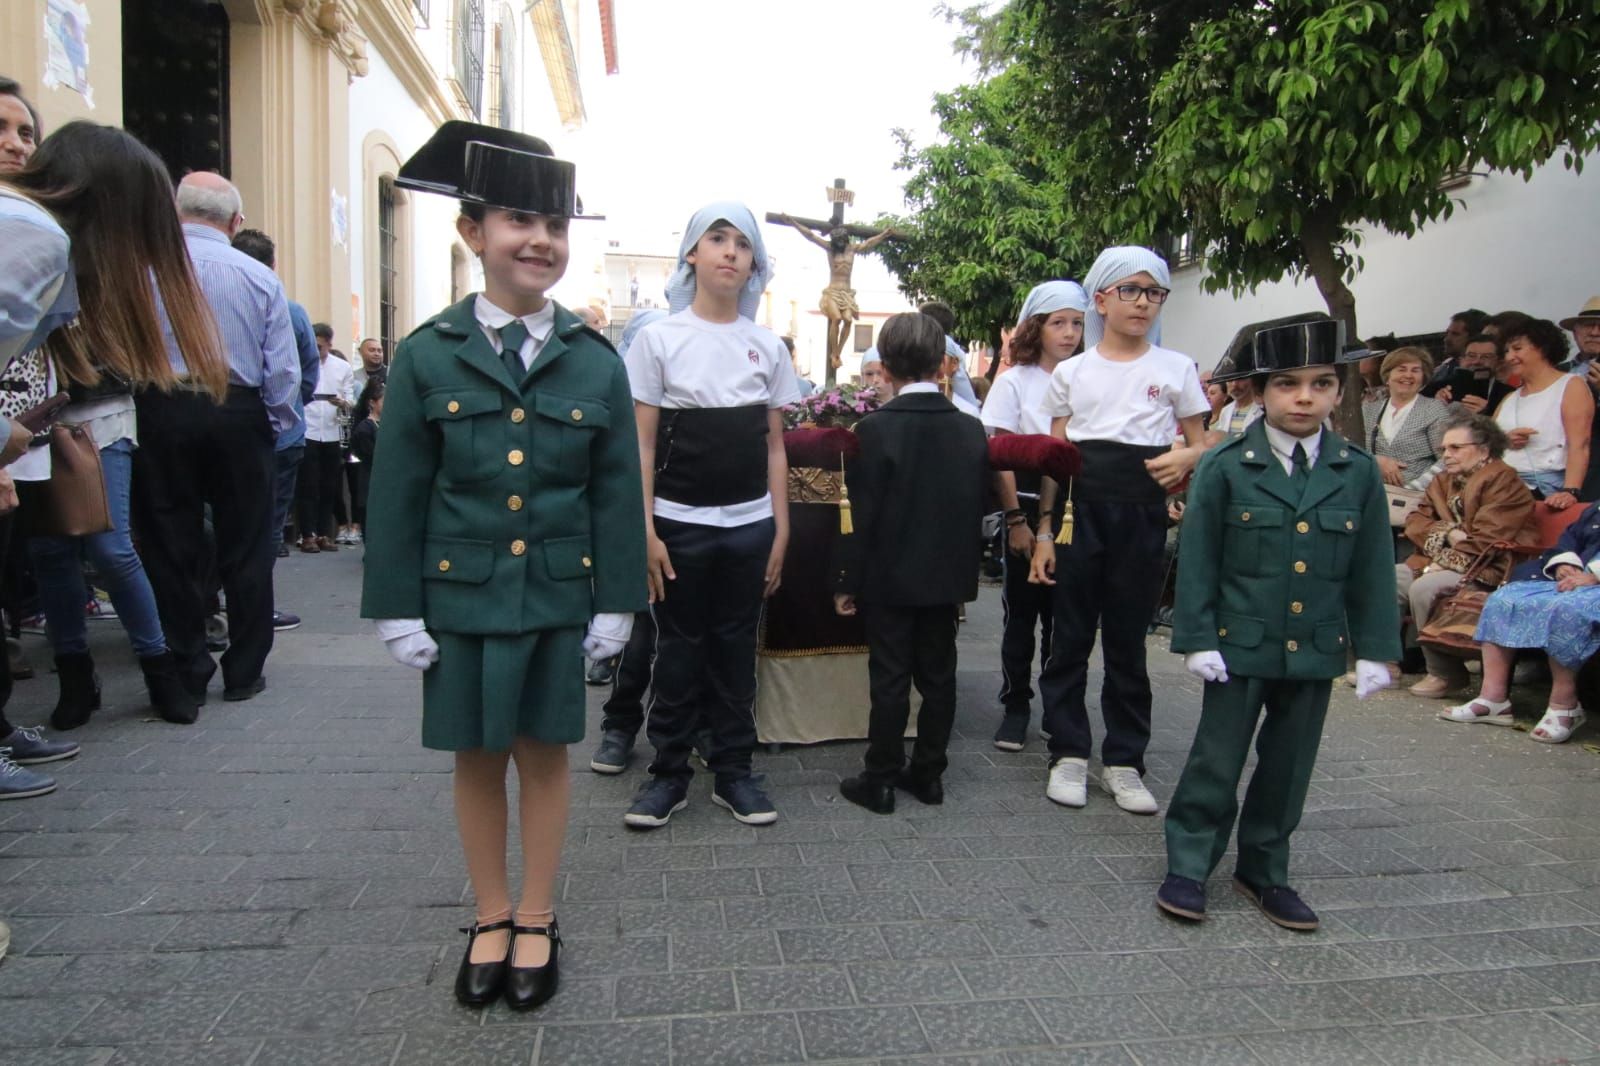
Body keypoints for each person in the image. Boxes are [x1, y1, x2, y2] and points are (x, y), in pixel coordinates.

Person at [361, 121, 647, 1010]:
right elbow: (399, 490)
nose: (543, 243)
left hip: (559, 596)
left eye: (556, 227)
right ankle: (488, 913)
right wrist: (395, 607)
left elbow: (613, 491)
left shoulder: (595, 362)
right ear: (472, 231)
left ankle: (536, 912)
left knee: (546, 755)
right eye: (522, 220)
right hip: (463, 596)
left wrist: (618, 603)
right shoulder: (426, 354)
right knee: (477, 757)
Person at [1159, 315, 1400, 931]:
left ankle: (1265, 869)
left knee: (1290, 764)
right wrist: (1196, 637)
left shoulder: (1357, 470)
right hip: (1239, 643)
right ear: (1261, 393)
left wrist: (1374, 648)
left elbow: (1371, 566)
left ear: (1340, 392)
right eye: (1288, 384)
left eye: (1321, 384)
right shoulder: (1228, 466)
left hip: (1315, 646)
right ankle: (1189, 863)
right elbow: (1199, 561)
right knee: (1217, 757)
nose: (1304, 397)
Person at [8, 121, 231, 733]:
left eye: (23, 129)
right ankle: (78, 675)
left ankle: (158, 667)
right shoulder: (37, 236)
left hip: (87, 416)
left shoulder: (53, 244)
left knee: (109, 545)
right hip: (35, 419)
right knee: (54, 550)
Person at [621, 202, 800, 830]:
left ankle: (734, 770)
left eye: (742, 244)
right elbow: (641, 444)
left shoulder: (766, 346)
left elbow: (774, 445)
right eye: (716, 239)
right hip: (677, 523)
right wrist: (644, 529)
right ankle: (666, 773)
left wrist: (780, 528)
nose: (729, 251)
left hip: (749, 526)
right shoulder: (658, 339)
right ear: (691, 254)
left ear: (754, 264)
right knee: (677, 649)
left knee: (734, 649)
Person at [1028, 247, 1210, 815]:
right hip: (1080, 513)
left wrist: (1189, 459)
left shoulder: (1175, 367)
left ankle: (1125, 761)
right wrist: (1042, 532)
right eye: (1130, 290)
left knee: (1128, 643)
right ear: (1101, 300)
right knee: (1070, 639)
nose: (1143, 302)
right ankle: (1068, 753)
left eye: (1154, 292)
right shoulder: (1072, 372)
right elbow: (1058, 460)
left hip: (1142, 513)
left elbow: (1204, 441)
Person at [134, 170, 299, 707]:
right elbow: (283, 373)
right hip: (239, 410)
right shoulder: (259, 276)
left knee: (170, 544)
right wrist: (272, 426)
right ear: (236, 222)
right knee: (247, 547)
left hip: (163, 406)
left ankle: (187, 667)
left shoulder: (144, 270)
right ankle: (244, 671)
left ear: (176, 214)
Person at [833, 312, 989, 813]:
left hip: (889, 575)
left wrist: (846, 580)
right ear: (941, 362)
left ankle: (879, 777)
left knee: (891, 677)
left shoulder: (875, 429)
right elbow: (975, 506)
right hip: (945, 576)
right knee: (940, 675)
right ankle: (928, 774)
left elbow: (862, 516)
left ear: (887, 364)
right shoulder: (970, 428)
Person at [981, 281, 1086, 751]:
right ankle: (1016, 705)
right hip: (1022, 500)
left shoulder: (1089, 376)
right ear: (1036, 326)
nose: (1069, 333)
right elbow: (1000, 454)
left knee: (1065, 616)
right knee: (1021, 614)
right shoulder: (1014, 381)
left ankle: (1056, 704)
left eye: (1077, 323)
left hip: (1073, 506)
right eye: (1057, 322)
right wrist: (1016, 520)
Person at [1398, 414, 1537, 697]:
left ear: (1484, 449)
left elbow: (1490, 538)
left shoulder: (1505, 482)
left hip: (1492, 567)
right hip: (1441, 560)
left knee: (1425, 587)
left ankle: (1446, 675)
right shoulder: (1443, 481)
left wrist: (1444, 561)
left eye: (1455, 448)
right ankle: (1384, 663)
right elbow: (1414, 521)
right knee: (1384, 579)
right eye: (1443, 449)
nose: (1446, 455)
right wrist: (1447, 532)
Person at [1443, 501, 1600, 743]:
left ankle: (1565, 706)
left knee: (1566, 608)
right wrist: (1564, 563)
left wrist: (1595, 576)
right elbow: (1570, 538)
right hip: (1576, 581)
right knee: (1503, 599)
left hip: (1592, 586)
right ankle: (1493, 699)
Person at [588, 307, 666, 769]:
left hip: (682, 521)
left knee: (683, 640)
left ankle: (684, 730)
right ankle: (619, 725)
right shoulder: (615, 390)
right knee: (638, 638)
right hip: (632, 525)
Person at [230, 228, 318, 628]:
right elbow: (302, 372)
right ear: (274, 264)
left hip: (231, 427)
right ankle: (256, 608)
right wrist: (289, 412)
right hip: (281, 434)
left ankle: (218, 604)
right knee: (268, 521)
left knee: (228, 516)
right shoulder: (290, 308)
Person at [1493, 317, 1592, 508]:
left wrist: (1570, 490)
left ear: (1542, 347)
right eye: (1506, 351)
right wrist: (1504, 441)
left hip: (1542, 487)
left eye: (1517, 348)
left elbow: (1580, 444)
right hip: (1501, 484)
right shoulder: (1509, 398)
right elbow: (1487, 445)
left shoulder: (1570, 385)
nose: (1509, 357)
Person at [1360, 347, 1453, 489]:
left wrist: (1413, 488)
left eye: (1415, 370)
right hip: (1372, 494)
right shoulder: (1368, 410)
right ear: (1388, 376)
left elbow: (1447, 458)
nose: (1408, 375)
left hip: (1417, 499)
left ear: (1423, 378)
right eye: (1401, 369)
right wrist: (1375, 460)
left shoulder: (1434, 410)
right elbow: (1351, 450)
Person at [297, 323, 352, 553]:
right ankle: (307, 534)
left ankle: (323, 533)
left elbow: (351, 399)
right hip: (308, 429)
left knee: (329, 486)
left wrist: (342, 402)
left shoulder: (342, 367)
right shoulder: (302, 362)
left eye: (320, 346)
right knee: (307, 485)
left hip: (330, 431)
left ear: (329, 344)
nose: (316, 349)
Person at [342, 336, 386, 544]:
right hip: (370, 478)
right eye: (372, 349)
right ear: (372, 403)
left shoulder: (384, 425)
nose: (378, 353)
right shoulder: (365, 428)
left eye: (380, 349)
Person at [1422, 308, 1488, 395]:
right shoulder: (1443, 368)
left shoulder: (1484, 371)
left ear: (1474, 337)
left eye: (1455, 334)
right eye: (1447, 333)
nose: (1446, 339)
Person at [1208, 375, 1263, 442]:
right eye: (1230, 380)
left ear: (1252, 380)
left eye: (1240, 378)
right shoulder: (1225, 411)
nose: (1234, 384)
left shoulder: (1262, 410)